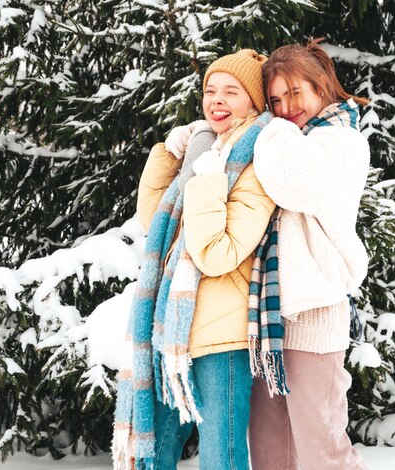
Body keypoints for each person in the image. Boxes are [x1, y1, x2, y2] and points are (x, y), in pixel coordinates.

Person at [111, 49, 275, 470]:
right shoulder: (204, 151)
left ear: (254, 102)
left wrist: (206, 177)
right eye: (210, 90)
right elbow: (156, 221)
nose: (216, 100)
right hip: (171, 332)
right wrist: (170, 154)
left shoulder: (256, 163)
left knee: (222, 456)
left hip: (222, 335)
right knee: (154, 452)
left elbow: (218, 252)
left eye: (231, 92)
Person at [248, 39, 370, 470]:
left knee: (322, 448)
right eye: (276, 100)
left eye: (295, 92)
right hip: (270, 317)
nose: (286, 107)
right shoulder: (294, 141)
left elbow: (298, 184)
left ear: (321, 86)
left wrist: (270, 125)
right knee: (269, 449)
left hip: (315, 313)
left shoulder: (339, 141)